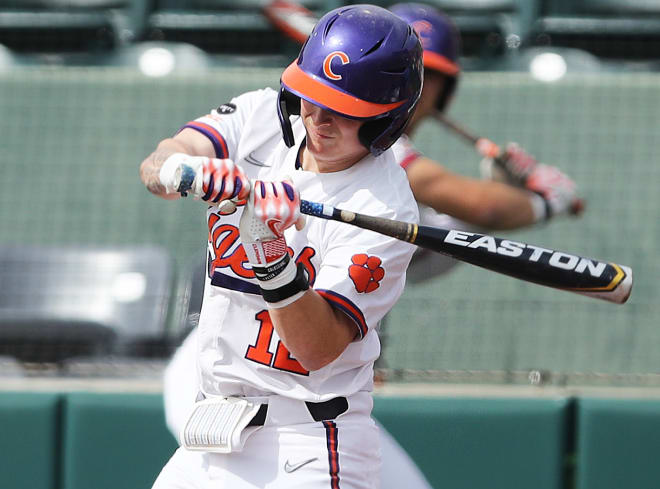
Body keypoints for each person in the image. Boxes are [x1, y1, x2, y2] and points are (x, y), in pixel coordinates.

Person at [161, 4, 582, 489]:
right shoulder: (280, 124)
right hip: (214, 388)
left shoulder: (388, 189)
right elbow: (481, 207)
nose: (320, 118)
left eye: (440, 81)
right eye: (314, 97)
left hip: (305, 418)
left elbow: (477, 213)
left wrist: (525, 197)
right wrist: (543, 202)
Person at [141, 5, 423, 489]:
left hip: (307, 441)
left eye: (345, 111)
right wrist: (186, 172)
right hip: (212, 432)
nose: (319, 118)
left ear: (385, 121)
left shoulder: (385, 209)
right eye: (312, 97)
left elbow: (316, 348)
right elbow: (158, 163)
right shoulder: (260, 119)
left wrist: (268, 248)